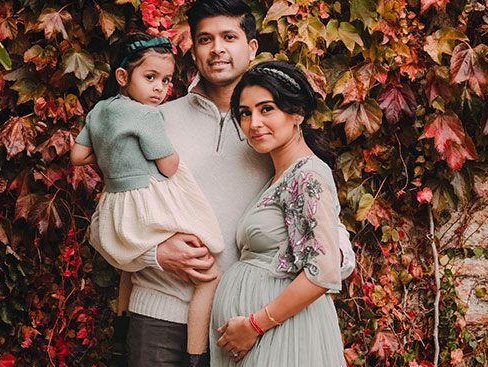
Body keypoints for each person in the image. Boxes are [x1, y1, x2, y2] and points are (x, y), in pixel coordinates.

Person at [88, 1, 355, 366]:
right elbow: (106, 221)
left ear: (252, 47)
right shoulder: (152, 120)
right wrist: (156, 254)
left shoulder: (270, 133)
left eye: (229, 37)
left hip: (242, 327)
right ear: (193, 51)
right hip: (159, 318)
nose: (217, 49)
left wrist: (330, 264)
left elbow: (323, 225)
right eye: (205, 39)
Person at [70, 32, 224, 359]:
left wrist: (118, 160)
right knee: (208, 269)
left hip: (115, 200)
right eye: (150, 77)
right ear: (123, 77)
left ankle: (121, 331)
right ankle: (197, 356)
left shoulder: (99, 111)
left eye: (166, 80)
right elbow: (168, 166)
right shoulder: (148, 115)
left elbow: (78, 156)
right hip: (148, 200)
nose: (159, 88)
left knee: (129, 267)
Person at [209, 60, 346, 366]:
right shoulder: (280, 176)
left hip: (279, 337)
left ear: (297, 113)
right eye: (245, 113)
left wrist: (255, 325)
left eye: (266, 109)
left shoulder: (307, 175)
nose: (254, 122)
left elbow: (323, 270)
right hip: (267, 336)